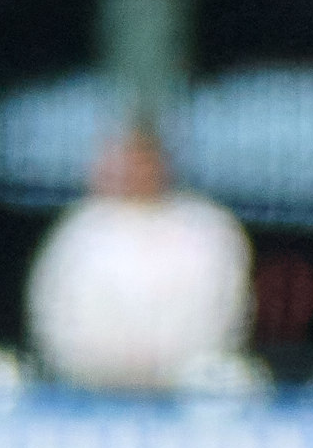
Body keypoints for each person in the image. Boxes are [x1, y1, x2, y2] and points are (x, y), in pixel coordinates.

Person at [25, 119, 251, 393]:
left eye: (144, 162)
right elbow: (50, 309)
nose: (136, 171)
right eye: (127, 161)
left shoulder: (207, 227)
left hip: (185, 394)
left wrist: (180, 368)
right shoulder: (81, 230)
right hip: (90, 392)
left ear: (163, 164)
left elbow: (228, 309)